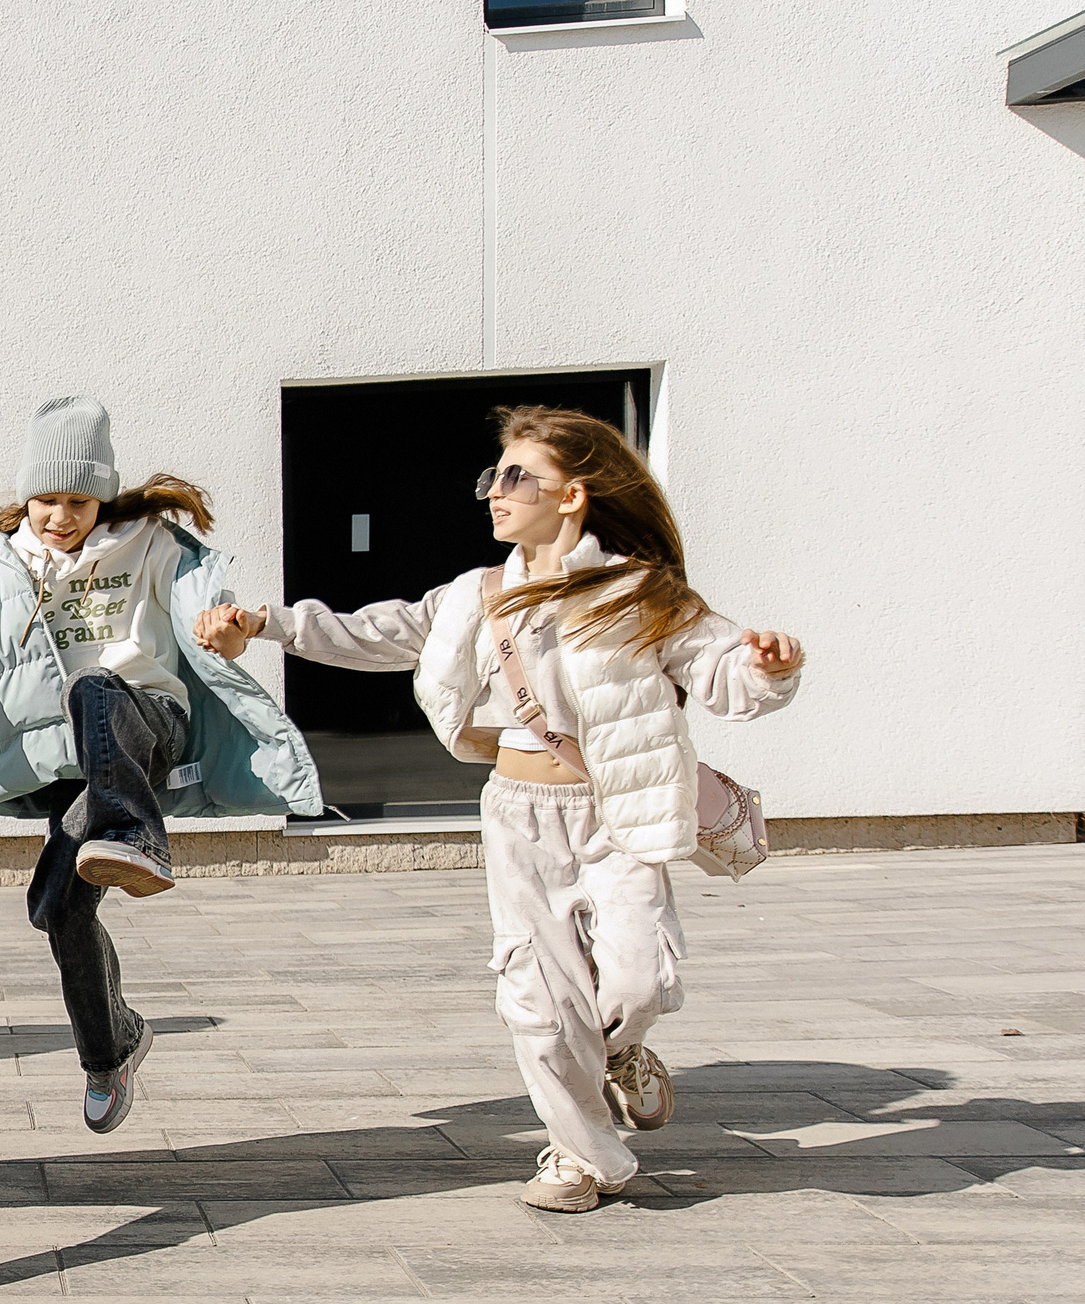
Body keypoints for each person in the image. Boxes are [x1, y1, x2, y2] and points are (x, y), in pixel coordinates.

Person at [201, 405, 804, 1211]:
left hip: (619, 810)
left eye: (517, 476)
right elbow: (378, 631)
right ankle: (579, 1157)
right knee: (543, 1005)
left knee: (638, 983)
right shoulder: (474, 597)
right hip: (519, 815)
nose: (495, 490)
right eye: (494, 476)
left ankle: (622, 1054)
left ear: (574, 496)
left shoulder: (641, 592)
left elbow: (723, 671)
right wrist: (267, 623)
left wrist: (769, 665)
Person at [0, 396, 322, 1134]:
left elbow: (201, 589)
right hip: (86, 762)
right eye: (48, 500)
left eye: (79, 501)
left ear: (103, 496)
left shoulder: (144, 542)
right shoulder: (1, 566)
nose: (62, 516)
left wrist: (227, 619)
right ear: (28, 496)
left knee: (97, 687)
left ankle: (139, 837)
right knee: (55, 906)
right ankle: (111, 1046)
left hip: (149, 719)